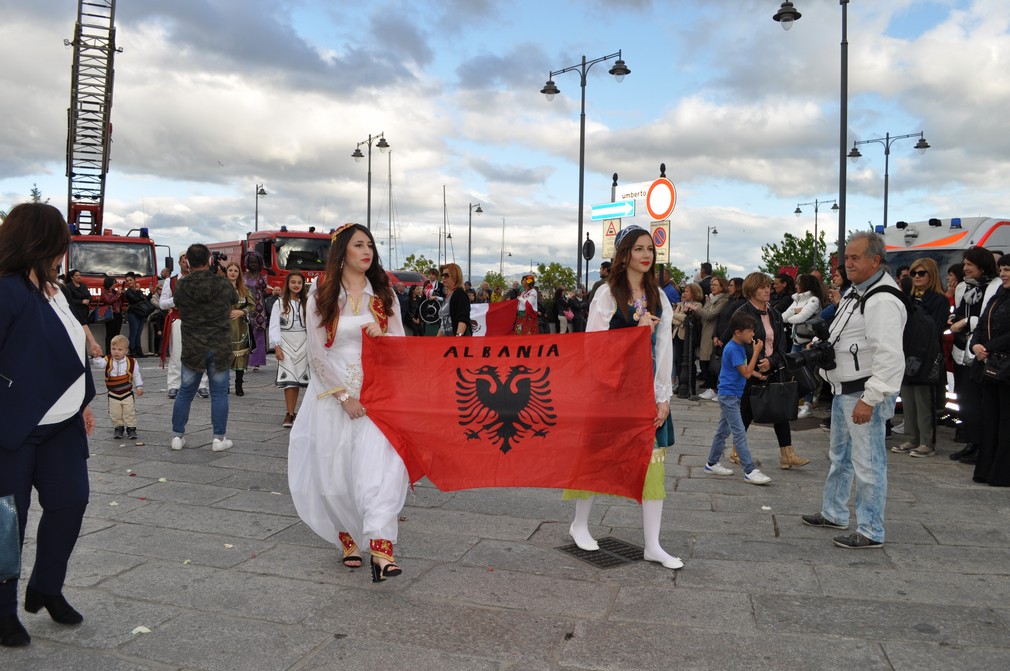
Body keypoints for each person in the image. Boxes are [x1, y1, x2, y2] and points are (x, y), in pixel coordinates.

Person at [0, 203, 99, 648]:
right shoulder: (6, 290)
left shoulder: (54, 290)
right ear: (40, 241)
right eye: (61, 240)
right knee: (6, 523)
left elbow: (70, 347)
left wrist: (80, 402)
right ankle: (2, 612)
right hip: (13, 429)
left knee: (70, 502)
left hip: (62, 425)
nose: (66, 249)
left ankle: (46, 585)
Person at [287, 223, 409, 582]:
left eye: (370, 245)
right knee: (336, 473)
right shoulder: (321, 295)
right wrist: (343, 396)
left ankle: (382, 548)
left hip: (377, 395)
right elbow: (316, 354)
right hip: (331, 395)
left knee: (382, 468)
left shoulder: (384, 295)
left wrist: (383, 336)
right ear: (342, 252)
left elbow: (402, 346)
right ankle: (347, 537)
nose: (367, 251)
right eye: (358, 245)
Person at [564, 225, 683, 570]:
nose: (646, 255)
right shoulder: (607, 294)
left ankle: (652, 544)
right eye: (639, 248)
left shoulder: (659, 296)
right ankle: (580, 523)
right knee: (595, 457)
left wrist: (663, 396)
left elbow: (663, 349)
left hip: (645, 390)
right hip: (610, 389)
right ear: (625, 253)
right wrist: (634, 331)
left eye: (650, 249)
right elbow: (594, 347)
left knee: (653, 462)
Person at [802, 232, 906, 549]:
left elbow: (889, 357)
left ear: (876, 260)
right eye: (846, 257)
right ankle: (834, 512)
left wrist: (870, 400)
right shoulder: (857, 293)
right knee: (841, 457)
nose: (847, 263)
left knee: (868, 463)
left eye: (855, 257)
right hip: (843, 388)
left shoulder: (882, 299)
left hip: (862, 393)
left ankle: (871, 529)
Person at [724, 272, 810, 470]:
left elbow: (781, 343)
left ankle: (787, 454)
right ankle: (737, 451)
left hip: (773, 367)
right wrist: (756, 363)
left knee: (781, 409)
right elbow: (738, 342)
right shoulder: (742, 313)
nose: (767, 290)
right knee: (746, 410)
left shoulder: (774, 314)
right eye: (762, 287)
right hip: (750, 369)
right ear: (751, 290)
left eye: (768, 286)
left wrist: (771, 361)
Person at [170, 244, 239, 453]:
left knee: (185, 392)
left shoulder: (182, 285)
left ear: (188, 262)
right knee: (218, 394)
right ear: (210, 259)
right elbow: (235, 300)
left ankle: (177, 436)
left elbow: (177, 304)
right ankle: (219, 438)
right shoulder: (222, 282)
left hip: (193, 345)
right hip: (219, 345)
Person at [704, 311, 772, 484]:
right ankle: (750, 470)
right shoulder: (734, 348)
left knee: (723, 431)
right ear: (738, 332)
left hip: (732, 395)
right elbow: (746, 373)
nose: (753, 334)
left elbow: (742, 369)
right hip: (729, 396)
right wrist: (756, 352)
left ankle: (711, 463)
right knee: (739, 432)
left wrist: (758, 374)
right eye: (749, 331)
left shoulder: (738, 346)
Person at [890, 258, 949, 458]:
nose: (916, 277)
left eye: (921, 273)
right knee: (908, 398)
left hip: (928, 354)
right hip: (907, 353)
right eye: (914, 273)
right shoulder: (909, 298)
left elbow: (937, 327)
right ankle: (912, 438)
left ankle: (927, 442)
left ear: (931, 275)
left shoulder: (938, 300)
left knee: (924, 400)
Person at [948, 247, 1000, 464]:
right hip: (962, 351)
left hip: (981, 353)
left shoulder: (994, 286)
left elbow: (990, 317)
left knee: (978, 403)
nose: (965, 268)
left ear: (982, 265)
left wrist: (967, 322)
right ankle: (971, 442)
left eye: (969, 264)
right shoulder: (964, 287)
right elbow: (960, 312)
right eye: (965, 263)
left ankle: (981, 446)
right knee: (965, 401)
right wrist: (954, 320)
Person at [970, 254, 1010, 486]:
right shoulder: (998, 295)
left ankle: (1002, 473)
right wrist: (975, 344)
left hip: (1005, 369)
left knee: (1006, 421)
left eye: (1008, 269)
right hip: (990, 367)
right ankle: (987, 470)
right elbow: (983, 322)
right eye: (1002, 269)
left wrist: (987, 346)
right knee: (991, 420)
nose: (1003, 273)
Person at [161, 252, 208, 399]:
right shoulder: (171, 281)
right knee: (176, 354)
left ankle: (202, 385)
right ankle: (174, 385)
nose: (186, 263)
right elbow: (163, 304)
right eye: (183, 260)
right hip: (179, 319)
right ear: (180, 263)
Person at [784, 273, 827, 418]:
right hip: (797, 341)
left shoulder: (814, 300)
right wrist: (795, 312)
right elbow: (784, 316)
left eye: (798, 283)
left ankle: (807, 404)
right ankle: (794, 402)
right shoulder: (797, 300)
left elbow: (799, 318)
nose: (796, 286)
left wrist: (796, 314)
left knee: (807, 374)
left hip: (808, 341)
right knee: (792, 372)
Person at [270, 271, 310, 427]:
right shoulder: (279, 303)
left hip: (304, 343)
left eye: (299, 282)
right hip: (286, 343)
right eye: (293, 282)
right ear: (287, 284)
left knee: (300, 379)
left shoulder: (307, 303)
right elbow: (274, 326)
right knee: (290, 381)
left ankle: (300, 412)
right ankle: (289, 413)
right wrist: (277, 346)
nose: (296, 285)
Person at [99, 334, 144, 440]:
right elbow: (99, 364)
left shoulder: (132, 362)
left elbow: (136, 374)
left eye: (120, 349)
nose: (116, 352)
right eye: (113, 349)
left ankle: (131, 428)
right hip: (113, 393)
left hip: (127, 392)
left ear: (126, 351)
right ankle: (118, 427)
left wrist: (139, 386)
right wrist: (97, 356)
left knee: (129, 411)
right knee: (115, 412)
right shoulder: (108, 360)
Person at [696, 275, 729, 399]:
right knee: (705, 360)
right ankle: (710, 387)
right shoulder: (710, 299)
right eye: (711, 285)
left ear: (722, 287)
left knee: (713, 361)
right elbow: (704, 313)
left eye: (715, 285)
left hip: (713, 333)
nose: (712, 287)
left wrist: (696, 308)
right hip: (706, 332)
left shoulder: (723, 300)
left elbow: (710, 315)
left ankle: (715, 388)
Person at [224, 262, 253, 396]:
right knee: (224, 357)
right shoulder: (220, 289)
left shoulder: (245, 290)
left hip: (240, 327)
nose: (233, 272)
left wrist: (241, 312)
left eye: (236, 270)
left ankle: (239, 385)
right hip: (224, 327)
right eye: (230, 270)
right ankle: (224, 385)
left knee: (240, 357)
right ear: (226, 272)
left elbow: (252, 306)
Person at [671, 283, 703, 398]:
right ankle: (680, 384)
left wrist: (676, 315)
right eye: (684, 291)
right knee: (678, 361)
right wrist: (676, 316)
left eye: (687, 291)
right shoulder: (681, 304)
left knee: (689, 361)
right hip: (678, 335)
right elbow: (673, 319)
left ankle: (690, 387)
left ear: (694, 293)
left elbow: (685, 318)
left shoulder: (698, 305)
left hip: (688, 337)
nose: (684, 293)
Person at [243, 252, 269, 371]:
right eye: (251, 262)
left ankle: (257, 362)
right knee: (246, 333)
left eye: (255, 262)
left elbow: (264, 291)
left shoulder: (262, 277)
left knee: (258, 335)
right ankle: (244, 360)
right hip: (246, 306)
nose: (253, 264)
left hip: (259, 309)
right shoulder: (243, 276)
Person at [437, 263, 472, 337]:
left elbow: (463, 320)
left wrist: (458, 338)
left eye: (446, 275)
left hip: (457, 342)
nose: (443, 278)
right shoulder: (448, 295)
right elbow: (443, 325)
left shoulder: (460, 294)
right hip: (447, 341)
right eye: (442, 275)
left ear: (455, 277)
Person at [122, 272, 152, 357]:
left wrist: (150, 293)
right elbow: (136, 299)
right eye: (127, 281)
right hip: (133, 313)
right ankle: (132, 350)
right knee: (133, 333)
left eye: (130, 280)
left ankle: (139, 350)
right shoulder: (128, 292)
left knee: (139, 333)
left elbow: (143, 300)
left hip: (141, 313)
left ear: (135, 280)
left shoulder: (138, 290)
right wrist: (138, 291)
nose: (129, 282)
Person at [98, 275, 124, 354]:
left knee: (117, 334)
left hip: (118, 313)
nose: (115, 284)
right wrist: (118, 293)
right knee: (110, 334)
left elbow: (121, 300)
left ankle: (116, 350)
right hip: (110, 314)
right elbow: (109, 301)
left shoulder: (114, 291)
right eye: (114, 283)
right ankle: (108, 352)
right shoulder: (104, 292)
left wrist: (122, 293)